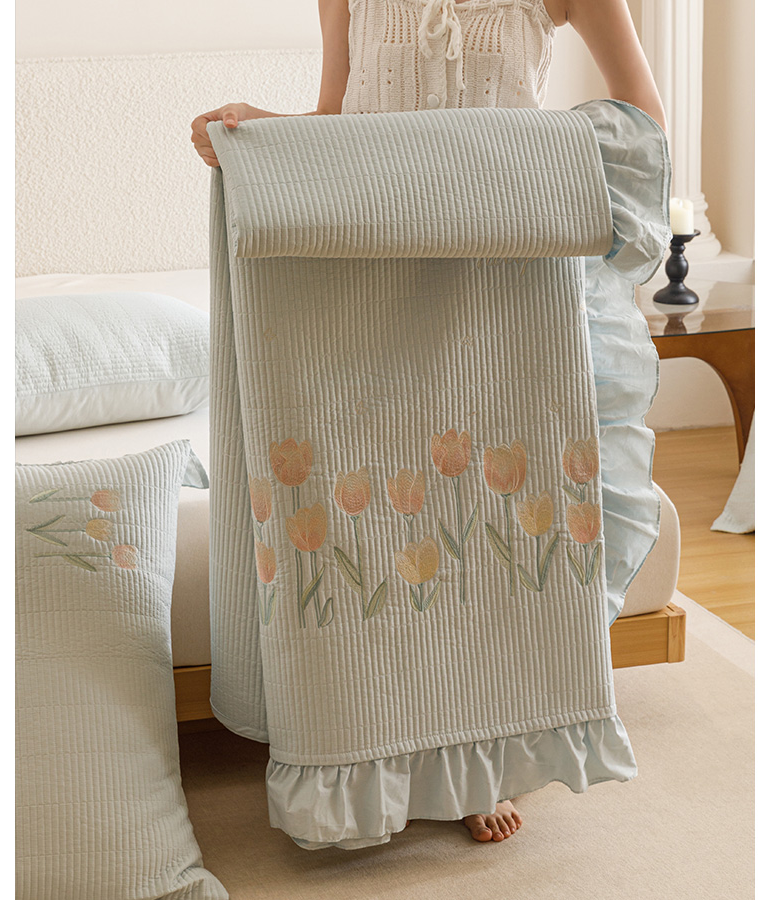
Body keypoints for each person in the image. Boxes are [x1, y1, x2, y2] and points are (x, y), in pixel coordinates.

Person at [190, 0, 667, 844]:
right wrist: (261, 136)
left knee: (494, 519)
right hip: (381, 284)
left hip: (507, 286)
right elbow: (339, 120)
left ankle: (488, 760)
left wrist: (515, 158)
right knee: (392, 528)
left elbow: (641, 122)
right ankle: (374, 754)